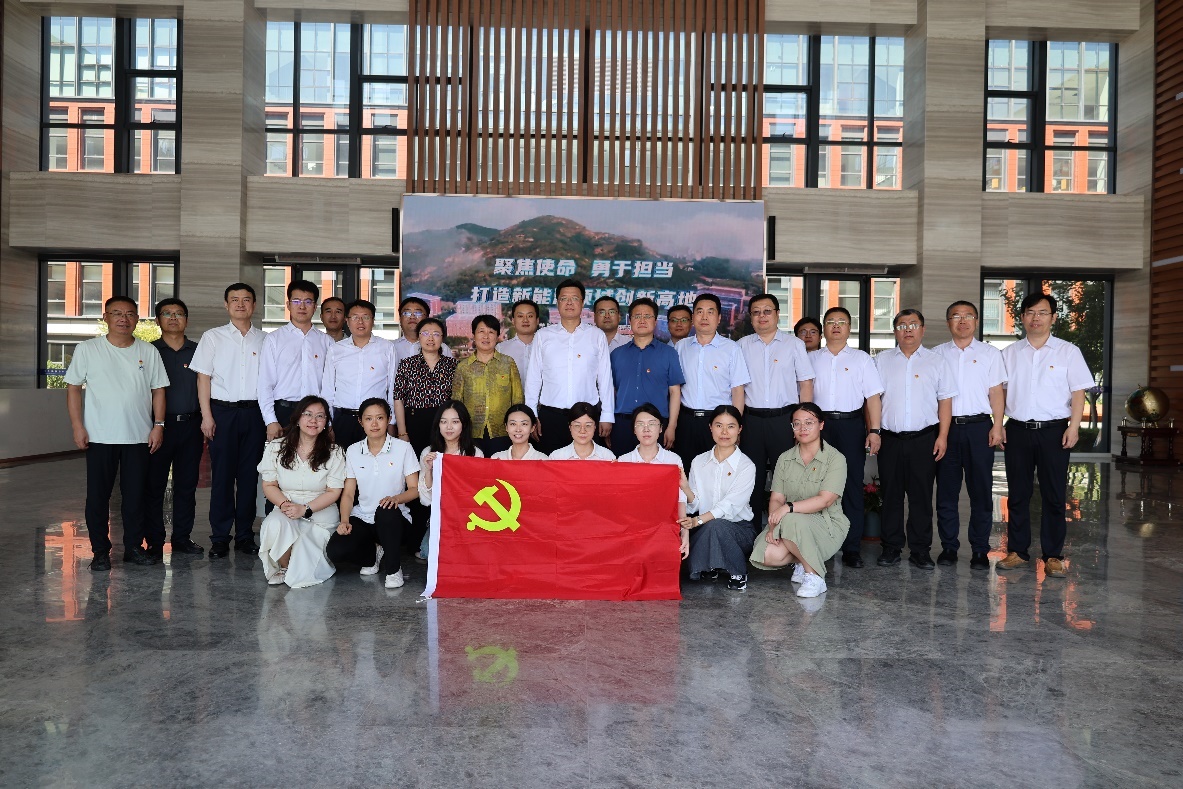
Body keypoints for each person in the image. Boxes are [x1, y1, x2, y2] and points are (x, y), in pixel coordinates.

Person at [65, 296, 169, 570]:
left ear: (137, 319)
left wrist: (158, 425)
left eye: (130, 314)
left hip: (138, 436)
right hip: (100, 436)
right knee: (98, 497)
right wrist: (78, 426)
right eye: (117, 313)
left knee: (135, 496)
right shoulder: (88, 349)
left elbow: (158, 390)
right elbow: (73, 388)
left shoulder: (148, 351)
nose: (124, 319)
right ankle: (100, 551)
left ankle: (133, 547)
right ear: (106, 317)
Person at [997, 293, 1093, 578]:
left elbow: (1078, 392)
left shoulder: (1068, 352)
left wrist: (1074, 426)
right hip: (1017, 430)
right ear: (1022, 317)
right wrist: (998, 424)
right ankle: (1017, 551)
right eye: (1030, 312)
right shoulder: (1009, 353)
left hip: (1054, 431)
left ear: (1053, 317)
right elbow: (999, 393)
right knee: (1018, 494)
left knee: (1054, 495)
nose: (1035, 318)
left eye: (1042, 312)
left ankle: (1053, 556)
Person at [874, 309, 957, 569]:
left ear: (922, 329)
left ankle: (920, 550)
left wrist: (942, 436)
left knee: (921, 496)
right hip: (890, 439)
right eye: (901, 325)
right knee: (891, 495)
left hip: (924, 439)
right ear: (895, 331)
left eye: (913, 324)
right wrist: (873, 432)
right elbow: (873, 400)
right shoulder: (881, 360)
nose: (907, 329)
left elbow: (945, 402)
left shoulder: (937, 361)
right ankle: (891, 547)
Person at [190, 282, 267, 559]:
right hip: (222, 413)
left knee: (249, 477)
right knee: (222, 477)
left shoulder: (265, 339)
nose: (240, 304)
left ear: (254, 305)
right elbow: (203, 379)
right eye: (234, 299)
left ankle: (245, 535)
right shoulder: (213, 337)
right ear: (226, 304)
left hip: (255, 414)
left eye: (246, 299)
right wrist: (206, 416)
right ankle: (220, 537)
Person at [750, 403, 850, 599]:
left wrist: (788, 508)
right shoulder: (785, 458)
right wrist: (773, 527)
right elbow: (776, 498)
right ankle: (802, 562)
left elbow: (825, 500)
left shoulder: (835, 458)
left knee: (791, 517)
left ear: (821, 424)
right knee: (768, 554)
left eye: (809, 422)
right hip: (789, 523)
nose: (803, 428)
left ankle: (815, 576)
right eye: (797, 423)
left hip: (827, 524)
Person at [934, 301, 1007, 570]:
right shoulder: (936, 354)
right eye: (956, 316)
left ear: (976, 321)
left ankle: (979, 550)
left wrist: (998, 425)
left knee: (981, 492)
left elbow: (996, 392)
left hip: (979, 429)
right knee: (946, 492)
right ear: (948, 322)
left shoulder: (990, 354)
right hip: (946, 429)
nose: (962, 321)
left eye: (968, 316)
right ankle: (948, 547)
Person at [809, 306, 884, 569]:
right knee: (816, 486)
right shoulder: (812, 358)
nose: (836, 326)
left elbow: (873, 397)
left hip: (851, 426)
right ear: (824, 328)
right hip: (819, 427)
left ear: (849, 328)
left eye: (842, 321)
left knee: (851, 486)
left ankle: (852, 548)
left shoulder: (862, 359)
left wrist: (874, 431)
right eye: (831, 321)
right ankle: (819, 545)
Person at [326, 398, 420, 590]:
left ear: (389, 419)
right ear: (360, 422)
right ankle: (372, 556)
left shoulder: (403, 448)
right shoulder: (353, 450)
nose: (374, 424)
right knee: (336, 550)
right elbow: (349, 493)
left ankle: (393, 571)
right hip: (364, 517)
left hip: (395, 519)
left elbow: (415, 489)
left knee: (385, 511)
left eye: (380, 418)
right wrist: (344, 520)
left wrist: (396, 499)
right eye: (368, 419)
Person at [737, 293, 815, 519]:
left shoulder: (794, 344)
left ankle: (788, 532)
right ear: (750, 317)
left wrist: (804, 425)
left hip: (784, 421)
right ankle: (751, 534)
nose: (762, 316)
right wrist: (738, 425)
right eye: (756, 312)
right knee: (751, 479)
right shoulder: (741, 346)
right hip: (751, 421)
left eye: (767, 311)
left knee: (788, 479)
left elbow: (805, 384)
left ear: (777, 314)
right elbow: (738, 389)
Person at [257, 396, 346, 587]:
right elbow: (269, 485)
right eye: (308, 414)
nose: (313, 420)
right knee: (274, 523)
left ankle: (299, 565)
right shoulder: (276, 447)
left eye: (320, 416)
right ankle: (285, 567)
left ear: (326, 422)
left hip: (320, 516)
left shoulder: (335, 451)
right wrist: (285, 505)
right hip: (287, 509)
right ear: (297, 418)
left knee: (304, 572)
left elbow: (333, 491)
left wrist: (305, 509)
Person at [144, 297, 205, 558]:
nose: (173, 318)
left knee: (186, 486)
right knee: (154, 486)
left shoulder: (199, 351)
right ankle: (154, 541)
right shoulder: (148, 351)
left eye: (179, 313)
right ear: (158, 320)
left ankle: (182, 538)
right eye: (167, 313)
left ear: (186, 320)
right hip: (158, 427)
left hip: (191, 426)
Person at [525, 278, 615, 454]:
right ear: (557, 303)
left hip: (587, 417)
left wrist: (607, 415)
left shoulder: (596, 336)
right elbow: (533, 378)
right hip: (551, 417)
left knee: (585, 466)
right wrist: (532, 415)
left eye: (574, 298)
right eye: (564, 298)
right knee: (551, 466)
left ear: (582, 302)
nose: (569, 303)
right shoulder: (543, 336)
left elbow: (605, 378)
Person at [679, 405, 757, 591]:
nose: (724, 432)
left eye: (731, 426)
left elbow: (729, 506)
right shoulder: (699, 461)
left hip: (739, 530)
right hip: (705, 526)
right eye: (719, 425)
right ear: (710, 427)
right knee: (707, 528)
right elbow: (694, 504)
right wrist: (685, 488)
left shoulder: (746, 466)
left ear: (739, 429)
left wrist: (697, 521)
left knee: (716, 525)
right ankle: (713, 563)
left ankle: (738, 572)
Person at [674, 293, 751, 472]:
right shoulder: (681, 347)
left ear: (718, 318)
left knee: (716, 472)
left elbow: (738, 391)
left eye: (710, 312)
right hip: (686, 421)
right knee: (685, 472)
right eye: (699, 312)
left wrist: (734, 426)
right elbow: (674, 389)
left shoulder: (731, 349)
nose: (704, 317)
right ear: (693, 317)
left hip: (718, 422)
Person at [258, 279, 333, 441]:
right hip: (284, 412)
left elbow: (330, 386)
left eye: (308, 302)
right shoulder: (274, 339)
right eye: (296, 301)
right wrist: (270, 420)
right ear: (288, 305)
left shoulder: (326, 342)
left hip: (316, 415)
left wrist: (329, 421)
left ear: (315, 306)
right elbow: (265, 383)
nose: (302, 306)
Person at [609, 297, 685, 455]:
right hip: (623, 424)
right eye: (637, 316)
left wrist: (671, 427)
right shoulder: (617, 354)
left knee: (654, 468)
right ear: (630, 320)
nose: (642, 320)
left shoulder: (669, 353)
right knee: (622, 467)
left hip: (656, 425)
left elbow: (675, 392)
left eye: (647, 316)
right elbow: (612, 392)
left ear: (655, 321)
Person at [320, 299, 396, 451]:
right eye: (355, 317)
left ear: (373, 320)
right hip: (343, 419)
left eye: (365, 317)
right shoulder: (336, 349)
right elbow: (328, 390)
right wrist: (328, 423)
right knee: (342, 462)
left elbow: (393, 388)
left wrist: (391, 422)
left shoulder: (387, 348)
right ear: (347, 321)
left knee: (374, 462)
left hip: (375, 420)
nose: (360, 322)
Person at [617, 404, 691, 559]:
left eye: (652, 424)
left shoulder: (673, 460)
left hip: (663, 527)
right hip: (632, 527)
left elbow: (680, 501)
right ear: (634, 430)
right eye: (640, 424)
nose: (646, 429)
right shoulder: (623, 461)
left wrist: (685, 533)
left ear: (661, 428)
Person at [416, 400, 484, 561]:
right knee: (428, 553)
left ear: (464, 424)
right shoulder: (429, 453)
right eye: (443, 422)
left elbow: (478, 495)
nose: (449, 427)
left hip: (468, 518)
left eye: (455, 422)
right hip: (441, 517)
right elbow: (425, 499)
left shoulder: (474, 454)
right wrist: (428, 470)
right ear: (438, 425)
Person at [452, 314, 524, 456]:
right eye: (481, 331)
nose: (486, 336)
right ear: (473, 335)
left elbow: (517, 399)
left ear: (497, 336)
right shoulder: (463, 367)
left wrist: (516, 426)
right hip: (471, 432)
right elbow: (456, 401)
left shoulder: (508, 363)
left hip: (503, 431)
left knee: (499, 468)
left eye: (491, 332)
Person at [392, 317, 458, 454]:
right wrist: (402, 432)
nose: (431, 338)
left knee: (442, 462)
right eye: (426, 333)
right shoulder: (407, 364)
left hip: (445, 424)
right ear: (418, 337)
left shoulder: (453, 365)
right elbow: (398, 399)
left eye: (436, 334)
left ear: (442, 338)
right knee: (416, 462)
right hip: (414, 422)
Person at [394, 296, 453, 365]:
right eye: (406, 313)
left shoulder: (443, 348)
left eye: (418, 313)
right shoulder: (390, 347)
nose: (412, 317)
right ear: (400, 318)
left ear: (426, 318)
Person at [550, 402, 618, 461]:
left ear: (595, 427)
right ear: (570, 427)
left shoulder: (607, 457)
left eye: (588, 426)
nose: (582, 431)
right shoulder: (556, 457)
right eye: (577, 426)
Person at [497, 299, 540, 383]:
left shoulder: (547, 348)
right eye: (520, 316)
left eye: (530, 316)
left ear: (537, 320)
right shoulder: (501, 349)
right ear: (513, 321)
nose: (525, 320)